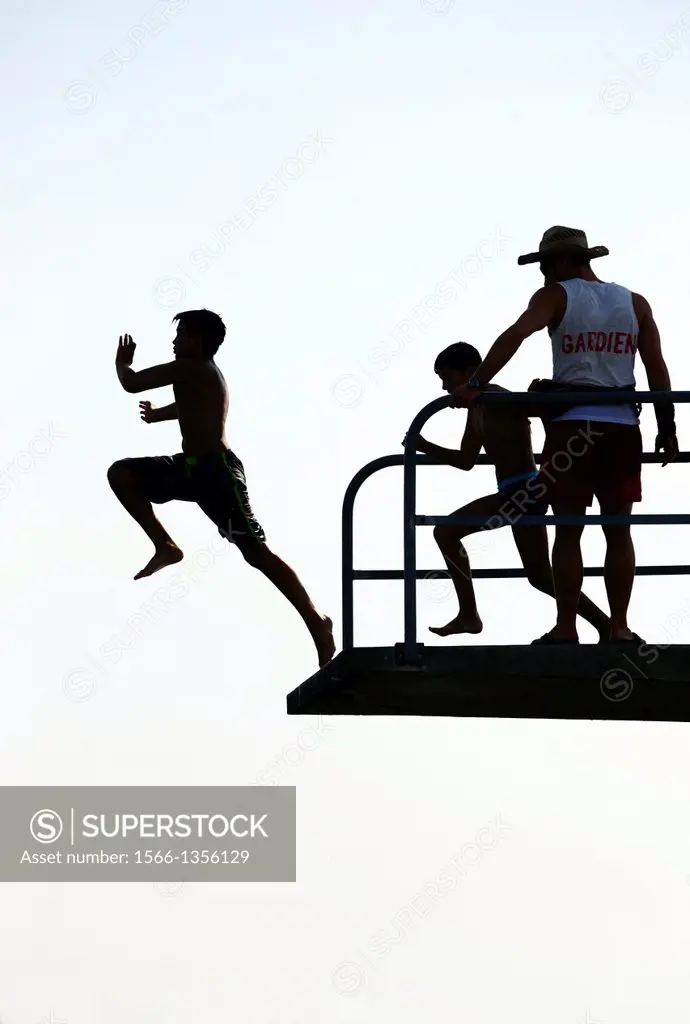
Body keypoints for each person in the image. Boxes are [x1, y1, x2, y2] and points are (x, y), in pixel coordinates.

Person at [451, 226, 678, 645]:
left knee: (568, 531)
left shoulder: (555, 296)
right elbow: (656, 368)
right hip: (624, 426)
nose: (542, 276)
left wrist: (477, 382)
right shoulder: (634, 302)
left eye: (543, 266)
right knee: (619, 531)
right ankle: (619, 628)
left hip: (573, 426)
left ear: (558, 262)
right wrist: (668, 425)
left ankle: (566, 627)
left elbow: (516, 335)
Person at [108, 310, 335, 667]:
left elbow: (132, 383)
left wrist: (122, 364)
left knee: (257, 554)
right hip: (190, 471)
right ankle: (164, 545)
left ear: (197, 341)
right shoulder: (197, 374)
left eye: (180, 335)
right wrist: (158, 415)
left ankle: (316, 622)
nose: (174, 341)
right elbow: (191, 404)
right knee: (121, 474)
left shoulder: (195, 368)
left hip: (218, 475)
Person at [406, 341, 611, 640]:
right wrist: (424, 447)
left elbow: (541, 409)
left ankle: (468, 615)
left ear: (470, 372)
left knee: (446, 532)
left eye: (447, 379)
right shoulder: (475, 409)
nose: (444, 388)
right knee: (540, 577)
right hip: (513, 492)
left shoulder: (500, 398)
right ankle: (604, 625)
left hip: (525, 490)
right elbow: (466, 460)